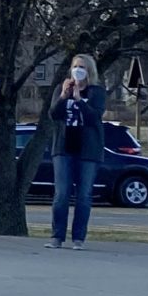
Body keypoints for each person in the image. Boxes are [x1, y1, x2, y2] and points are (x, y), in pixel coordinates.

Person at [46, 52, 107, 249]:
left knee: (84, 195)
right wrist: (64, 96)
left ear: (89, 71)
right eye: (75, 66)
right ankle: (57, 236)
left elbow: (93, 118)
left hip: (88, 150)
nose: (78, 70)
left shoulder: (96, 92)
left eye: (82, 67)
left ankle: (78, 238)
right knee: (61, 193)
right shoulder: (61, 88)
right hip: (63, 147)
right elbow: (53, 114)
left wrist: (80, 99)